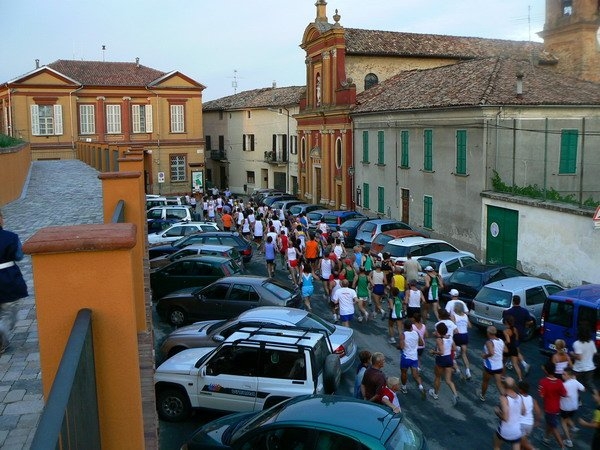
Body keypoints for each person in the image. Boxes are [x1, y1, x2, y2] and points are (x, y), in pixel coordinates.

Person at [0, 209, 28, 353]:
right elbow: (19, 256)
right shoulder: (11, 237)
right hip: (7, 278)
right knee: (9, 312)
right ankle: (1, 332)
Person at [429, 322, 459, 405]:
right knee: (448, 380)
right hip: (449, 358)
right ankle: (455, 395)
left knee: (438, 377)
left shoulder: (439, 340)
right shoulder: (450, 337)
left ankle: (435, 394)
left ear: (439, 331)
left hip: (441, 359)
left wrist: (434, 352)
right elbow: (454, 348)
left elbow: (441, 352)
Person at [539, 361, 567, 449]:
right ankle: (546, 438)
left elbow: (541, 395)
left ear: (546, 371)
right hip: (557, 407)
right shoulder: (559, 382)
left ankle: (562, 446)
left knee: (553, 426)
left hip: (548, 408)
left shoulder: (543, 382)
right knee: (550, 423)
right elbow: (564, 394)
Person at [502, 295, 532, 375]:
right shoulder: (524, 311)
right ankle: (511, 363)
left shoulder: (508, 311)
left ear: (513, 301)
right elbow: (530, 321)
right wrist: (525, 325)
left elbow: (504, 321)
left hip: (511, 332)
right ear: (519, 301)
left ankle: (523, 364)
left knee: (514, 349)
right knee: (515, 348)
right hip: (520, 332)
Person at [493, 377, 525, 450]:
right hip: (517, 431)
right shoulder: (519, 397)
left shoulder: (504, 398)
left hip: (505, 430)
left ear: (504, 386)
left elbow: (505, 418)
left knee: (496, 446)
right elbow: (523, 412)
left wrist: (497, 412)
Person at [398, 318, 426, 398]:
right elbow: (421, 343)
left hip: (406, 357)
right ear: (411, 326)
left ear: (404, 326)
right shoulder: (416, 333)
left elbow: (402, 347)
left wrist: (398, 346)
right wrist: (414, 344)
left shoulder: (403, 335)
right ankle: (421, 387)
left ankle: (404, 387)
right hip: (414, 358)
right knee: (415, 375)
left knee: (404, 373)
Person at [560, 368, 585, 448]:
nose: (562, 375)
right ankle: (573, 427)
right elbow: (583, 389)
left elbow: (562, 395)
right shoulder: (575, 381)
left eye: (564, 374)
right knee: (568, 418)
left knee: (563, 422)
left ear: (569, 375)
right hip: (574, 406)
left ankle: (568, 440)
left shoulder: (564, 385)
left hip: (565, 407)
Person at [480, 326, 506, 402]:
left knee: (485, 381)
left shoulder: (489, 342)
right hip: (499, 366)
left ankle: (482, 396)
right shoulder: (501, 341)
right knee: (499, 384)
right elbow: (506, 350)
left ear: (488, 333)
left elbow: (491, 353)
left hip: (490, 367)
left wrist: (484, 356)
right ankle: (507, 399)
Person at [571, 325, 597, 398]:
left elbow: (579, 358)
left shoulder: (576, 343)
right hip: (590, 368)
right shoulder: (591, 342)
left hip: (578, 369)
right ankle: (598, 398)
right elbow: (594, 352)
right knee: (590, 384)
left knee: (575, 385)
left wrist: (572, 354)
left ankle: (577, 400)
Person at [518, 380, 541, 450]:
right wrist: (537, 421)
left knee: (522, 443)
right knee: (522, 442)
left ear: (521, 390)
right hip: (529, 424)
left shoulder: (517, 398)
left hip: (521, 424)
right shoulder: (532, 399)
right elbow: (538, 411)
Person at [453, 302, 472, 381]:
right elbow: (470, 326)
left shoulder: (454, 315)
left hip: (457, 335)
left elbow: (454, 327)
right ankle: (468, 371)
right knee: (464, 354)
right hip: (465, 335)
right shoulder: (465, 316)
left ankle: (457, 370)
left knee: (452, 354)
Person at [503, 315, 524, 382]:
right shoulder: (515, 329)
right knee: (515, 364)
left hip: (507, 348)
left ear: (506, 323)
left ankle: (503, 376)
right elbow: (516, 338)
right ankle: (520, 379)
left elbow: (508, 341)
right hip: (514, 348)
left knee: (503, 363)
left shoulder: (505, 331)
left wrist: (504, 343)